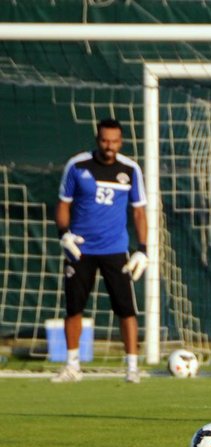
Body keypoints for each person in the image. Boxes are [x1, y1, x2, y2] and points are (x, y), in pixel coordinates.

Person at [53, 118, 148, 384]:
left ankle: (132, 368)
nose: (109, 146)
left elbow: (139, 212)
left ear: (121, 142)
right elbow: (63, 204)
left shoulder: (130, 169)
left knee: (126, 309)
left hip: (115, 249)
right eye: (105, 141)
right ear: (97, 140)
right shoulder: (77, 165)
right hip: (80, 250)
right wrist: (64, 234)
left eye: (114, 141)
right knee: (74, 308)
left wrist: (143, 250)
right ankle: (72, 366)